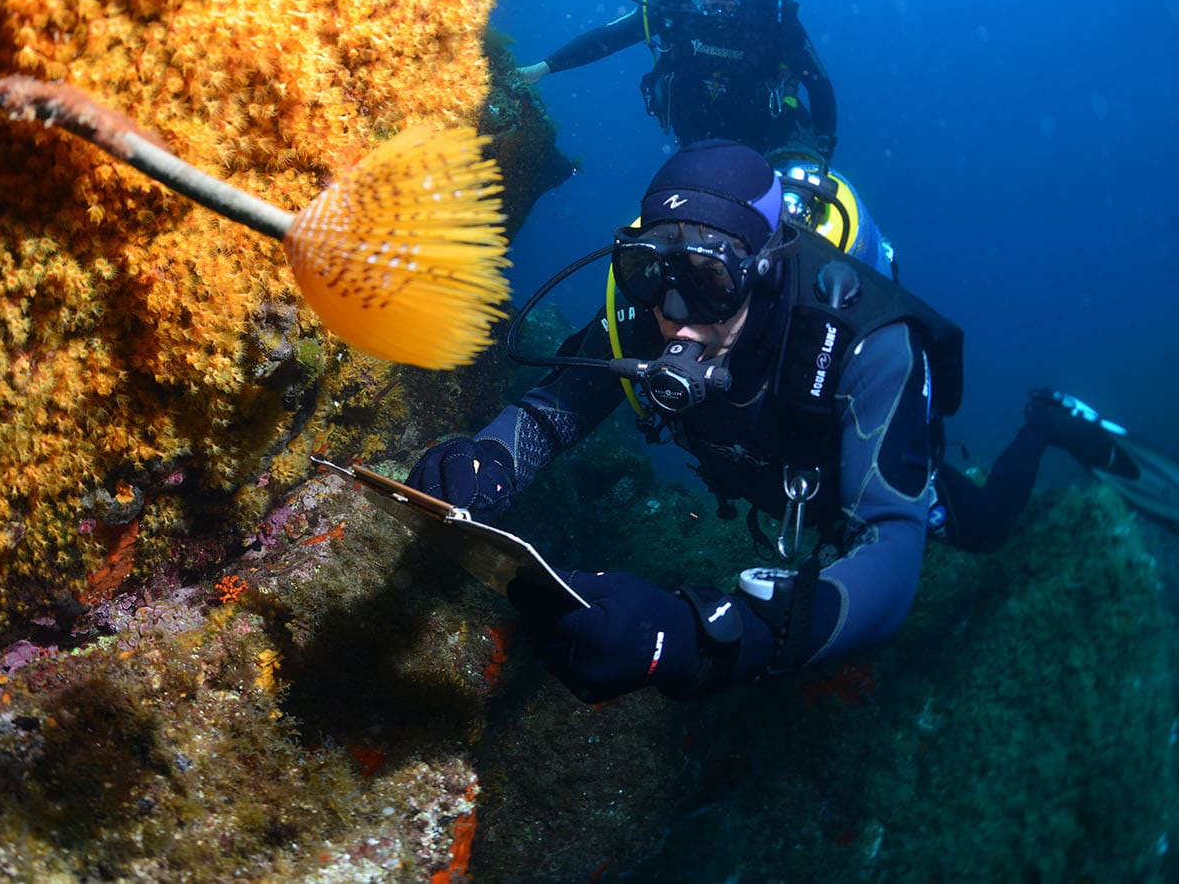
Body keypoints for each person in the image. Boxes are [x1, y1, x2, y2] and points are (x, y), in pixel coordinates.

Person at [406, 139, 1139, 703]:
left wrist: (714, 640)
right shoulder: (648, 305)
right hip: (767, 479)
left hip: (841, 469)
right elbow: (553, 411)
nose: (674, 316)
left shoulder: (870, 341)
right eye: (650, 274)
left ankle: (1046, 423)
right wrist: (486, 461)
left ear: (762, 269)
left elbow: (892, 552)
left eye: (710, 281)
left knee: (983, 528)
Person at [518, 0, 837, 162]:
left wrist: (824, 149)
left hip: (766, 137)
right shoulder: (672, 8)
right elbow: (608, 38)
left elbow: (818, 84)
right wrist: (544, 68)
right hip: (694, 135)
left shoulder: (772, 16)